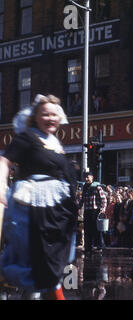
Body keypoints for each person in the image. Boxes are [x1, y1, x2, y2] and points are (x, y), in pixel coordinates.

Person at [0, 94, 77, 300]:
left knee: (53, 266)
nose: (51, 118)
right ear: (35, 117)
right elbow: (4, 161)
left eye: (54, 114)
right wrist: (0, 187)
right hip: (32, 210)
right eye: (45, 114)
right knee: (36, 263)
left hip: (57, 213)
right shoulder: (27, 137)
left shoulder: (55, 143)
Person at [79, 173, 108, 253]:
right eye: (85, 177)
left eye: (88, 177)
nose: (86, 179)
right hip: (87, 210)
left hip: (95, 210)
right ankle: (88, 247)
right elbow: (82, 199)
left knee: (96, 229)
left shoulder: (97, 186)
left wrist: (103, 209)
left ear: (92, 177)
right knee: (87, 229)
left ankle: (99, 247)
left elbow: (103, 199)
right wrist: (78, 207)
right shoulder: (84, 187)